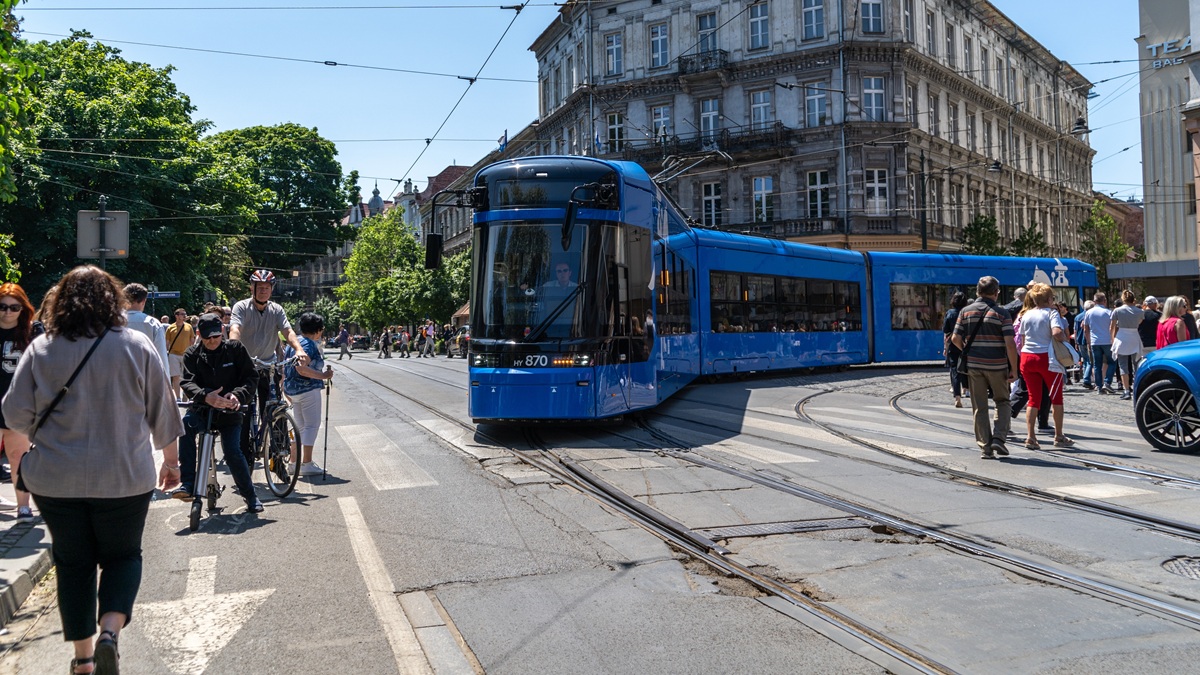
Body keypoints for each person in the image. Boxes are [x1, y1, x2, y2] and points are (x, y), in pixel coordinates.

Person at [2, 266, 183, 675]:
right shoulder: (137, 345)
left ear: (60, 301)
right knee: (123, 556)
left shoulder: (41, 348)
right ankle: (110, 633)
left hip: (55, 480)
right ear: (112, 300)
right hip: (124, 476)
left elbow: (13, 414)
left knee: (73, 564)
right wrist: (170, 463)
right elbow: (163, 412)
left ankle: (83, 661)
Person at [175, 313, 262, 515]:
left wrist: (237, 396)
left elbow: (251, 377)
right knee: (185, 427)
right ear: (199, 334)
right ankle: (187, 484)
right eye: (207, 338)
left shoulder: (235, 349)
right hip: (202, 409)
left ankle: (250, 496)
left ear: (222, 331)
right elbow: (187, 382)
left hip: (230, 411)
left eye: (216, 336)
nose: (212, 341)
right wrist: (205, 396)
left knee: (233, 451)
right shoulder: (192, 354)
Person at [229, 270, 308, 466]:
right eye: (260, 287)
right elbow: (235, 329)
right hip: (245, 367)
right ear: (252, 288)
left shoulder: (277, 310)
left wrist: (298, 349)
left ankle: (278, 452)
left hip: (268, 365)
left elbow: (287, 331)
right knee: (244, 413)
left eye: (267, 287)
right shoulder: (241, 307)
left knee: (275, 407)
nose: (263, 291)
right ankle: (244, 456)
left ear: (272, 289)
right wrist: (234, 348)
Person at [952, 276, 1019, 459]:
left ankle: (985, 448)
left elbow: (955, 339)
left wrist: (968, 350)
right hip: (997, 365)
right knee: (1002, 401)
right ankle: (998, 438)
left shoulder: (965, 311)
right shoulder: (1002, 313)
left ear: (977, 292)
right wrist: (1014, 368)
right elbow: (1010, 344)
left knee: (979, 407)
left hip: (974, 366)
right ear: (996, 293)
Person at [123, 283, 181, 498]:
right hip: (146, 383)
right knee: (144, 433)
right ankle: (140, 474)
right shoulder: (152, 324)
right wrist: (165, 389)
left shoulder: (114, 321)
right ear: (144, 300)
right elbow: (160, 359)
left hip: (119, 385)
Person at [0, 283, 42, 522]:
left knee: (18, 456)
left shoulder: (33, 331)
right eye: (2, 307)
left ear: (22, 307)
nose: (7, 312)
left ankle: (23, 506)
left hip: (19, 404)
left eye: (14, 307)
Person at [1016, 283, 1073, 450]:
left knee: (1034, 399)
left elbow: (1023, 340)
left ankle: (1030, 437)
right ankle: (1059, 435)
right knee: (1056, 397)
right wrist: (1065, 339)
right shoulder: (1052, 313)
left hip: (1027, 358)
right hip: (1046, 359)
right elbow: (1056, 332)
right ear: (1049, 299)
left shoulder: (1026, 315)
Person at [283, 312, 333, 476]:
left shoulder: (293, 343)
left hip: (293, 390)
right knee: (311, 425)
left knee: (299, 426)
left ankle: (293, 463)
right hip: (307, 389)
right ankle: (307, 463)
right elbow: (302, 369)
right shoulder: (309, 345)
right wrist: (323, 376)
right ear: (318, 330)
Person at [1010, 290, 1052, 434]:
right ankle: (1009, 413)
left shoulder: (1023, 315)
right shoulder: (1034, 314)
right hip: (1038, 356)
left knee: (1032, 390)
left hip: (1025, 356)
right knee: (1029, 390)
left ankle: (1042, 421)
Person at [1110, 289, 1144, 400]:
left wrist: (1112, 339)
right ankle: (1137, 387)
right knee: (1136, 365)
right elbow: (1140, 322)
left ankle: (1126, 390)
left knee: (1123, 366)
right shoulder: (1140, 311)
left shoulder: (1117, 311)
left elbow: (1112, 327)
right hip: (1134, 335)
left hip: (1122, 337)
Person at [1080, 292, 1116, 394]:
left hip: (1094, 342)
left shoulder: (1088, 313)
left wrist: (1088, 341)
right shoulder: (1109, 312)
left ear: (1095, 301)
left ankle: (1099, 386)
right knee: (1112, 362)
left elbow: (1086, 329)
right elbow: (1112, 327)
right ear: (1104, 301)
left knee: (1097, 365)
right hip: (1107, 341)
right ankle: (1107, 382)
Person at [942, 291, 968, 408]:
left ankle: (957, 397)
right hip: (966, 344)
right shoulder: (967, 312)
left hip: (953, 344)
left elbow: (946, 331)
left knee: (955, 371)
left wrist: (945, 347)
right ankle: (965, 389)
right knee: (966, 368)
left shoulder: (950, 313)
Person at [165, 307, 195, 400]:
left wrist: (191, 352)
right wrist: (166, 352)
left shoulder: (188, 326)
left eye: (185, 314)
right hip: (173, 354)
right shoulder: (170, 327)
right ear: (177, 316)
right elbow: (167, 342)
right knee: (175, 376)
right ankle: (178, 397)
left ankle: (186, 396)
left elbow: (192, 340)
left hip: (185, 354)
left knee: (186, 376)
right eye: (182, 314)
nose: (184, 315)